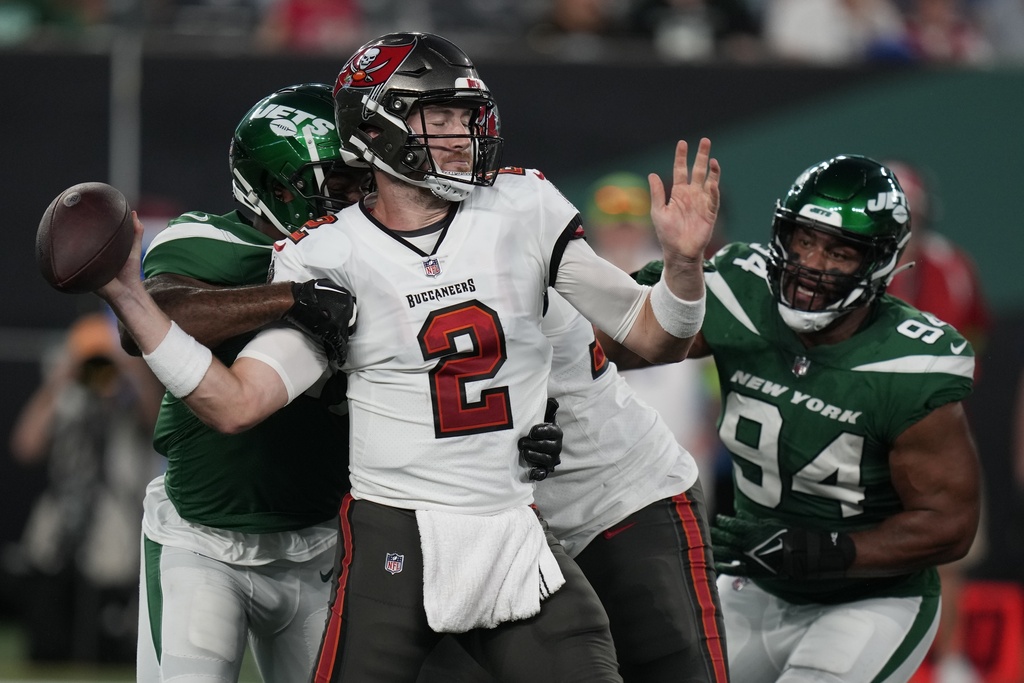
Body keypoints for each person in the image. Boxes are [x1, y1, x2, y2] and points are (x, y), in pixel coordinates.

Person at [95, 31, 719, 682]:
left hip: (377, 535)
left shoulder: (513, 210)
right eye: (336, 182)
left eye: (460, 118)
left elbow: (613, 341)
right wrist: (169, 295)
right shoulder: (313, 255)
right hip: (277, 536)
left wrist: (532, 421)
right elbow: (227, 390)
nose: (350, 193)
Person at [608, 154, 980, 682]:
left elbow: (951, 526)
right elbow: (619, 343)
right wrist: (682, 267)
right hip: (758, 581)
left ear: (879, 263)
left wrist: (832, 551)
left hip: (870, 599)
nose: (812, 264)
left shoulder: (907, 363)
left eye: (840, 251)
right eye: (803, 240)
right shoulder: (742, 289)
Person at [128, 83, 367, 683]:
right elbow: (149, 317)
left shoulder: (378, 254)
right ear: (276, 184)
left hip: (320, 539)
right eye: (340, 185)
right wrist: (289, 298)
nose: (361, 200)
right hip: (202, 541)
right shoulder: (213, 239)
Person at [883, 159, 991, 683]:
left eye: (911, 211)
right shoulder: (850, 268)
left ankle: (950, 659)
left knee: (952, 548)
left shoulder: (953, 267)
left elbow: (976, 338)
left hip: (941, 430)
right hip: (865, 432)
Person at [9, 311, 162, 663]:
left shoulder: (131, 403)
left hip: (114, 540)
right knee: (46, 649)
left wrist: (128, 370)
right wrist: (61, 381)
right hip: (60, 537)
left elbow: (156, 427)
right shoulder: (66, 401)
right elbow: (25, 446)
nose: (97, 371)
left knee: (111, 653)